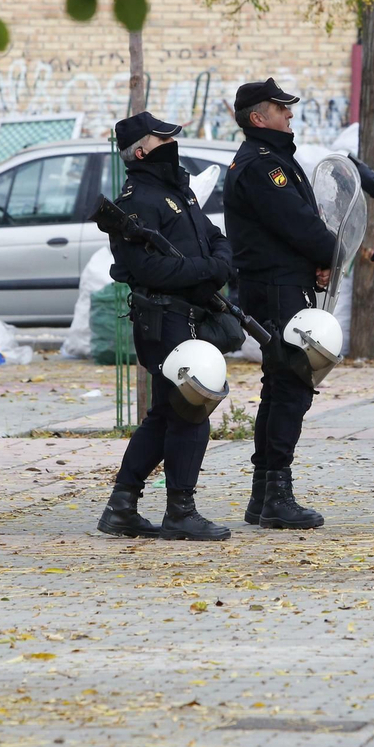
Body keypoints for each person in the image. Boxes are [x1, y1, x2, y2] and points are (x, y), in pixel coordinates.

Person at [96, 111, 235, 541]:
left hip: (190, 316)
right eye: (162, 139)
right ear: (140, 151)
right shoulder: (137, 200)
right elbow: (143, 267)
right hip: (165, 318)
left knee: (164, 414)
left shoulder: (178, 189)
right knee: (192, 410)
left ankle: (122, 505)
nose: (172, 144)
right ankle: (180, 510)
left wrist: (216, 264)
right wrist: (205, 271)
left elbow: (216, 237)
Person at [223, 77, 338, 530]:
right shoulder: (262, 166)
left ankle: (265, 493)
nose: (289, 113)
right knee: (290, 388)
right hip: (275, 290)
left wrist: (318, 262)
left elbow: (296, 228)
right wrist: (330, 254)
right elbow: (300, 226)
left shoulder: (268, 160)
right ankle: (276, 496)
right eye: (280, 107)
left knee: (280, 388)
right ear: (258, 117)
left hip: (280, 285)